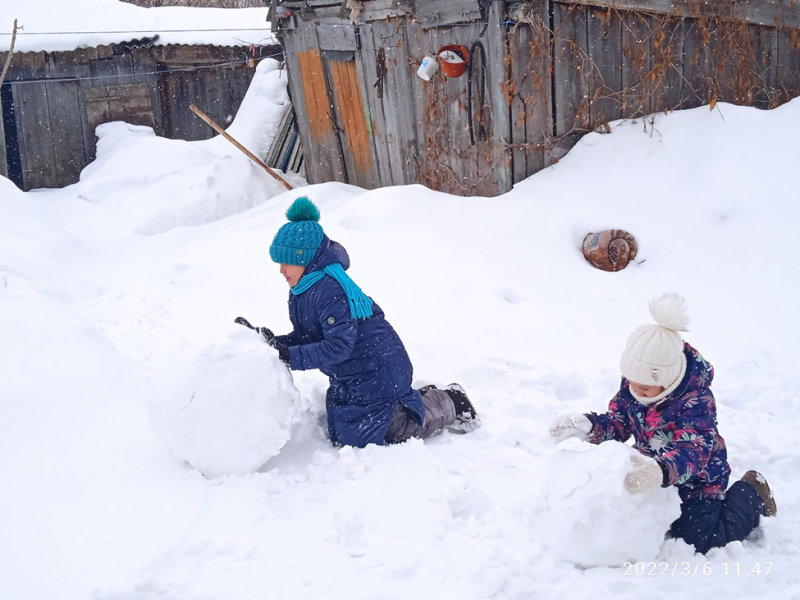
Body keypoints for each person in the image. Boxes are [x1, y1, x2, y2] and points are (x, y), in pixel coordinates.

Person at [237, 197, 479, 448]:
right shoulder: (304, 289)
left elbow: (337, 346)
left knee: (390, 431)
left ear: (304, 260)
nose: (281, 270)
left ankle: (449, 401)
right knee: (344, 432)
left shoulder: (329, 291)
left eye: (286, 262)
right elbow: (311, 336)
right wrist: (276, 344)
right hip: (354, 375)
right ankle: (407, 401)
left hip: (378, 371)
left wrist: (290, 356)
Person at [550, 294, 776, 555]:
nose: (634, 390)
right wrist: (587, 426)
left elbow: (695, 452)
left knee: (698, 540)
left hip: (698, 481)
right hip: (652, 470)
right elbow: (619, 423)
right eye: (630, 381)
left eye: (644, 387)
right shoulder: (636, 384)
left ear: (666, 379)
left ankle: (752, 492)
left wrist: (660, 471)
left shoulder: (695, 400)